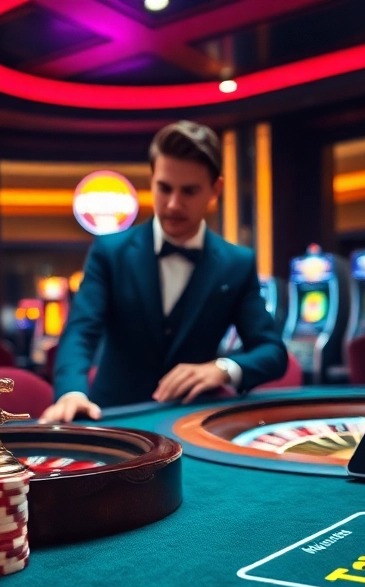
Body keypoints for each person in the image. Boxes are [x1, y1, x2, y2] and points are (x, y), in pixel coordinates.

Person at [39, 121, 288, 423]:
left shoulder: (237, 263)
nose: (173, 204)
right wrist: (72, 393)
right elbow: (81, 331)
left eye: (189, 191)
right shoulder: (110, 251)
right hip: (115, 418)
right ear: (152, 180)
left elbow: (273, 352)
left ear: (215, 189)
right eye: (164, 188)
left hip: (194, 422)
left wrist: (221, 369)